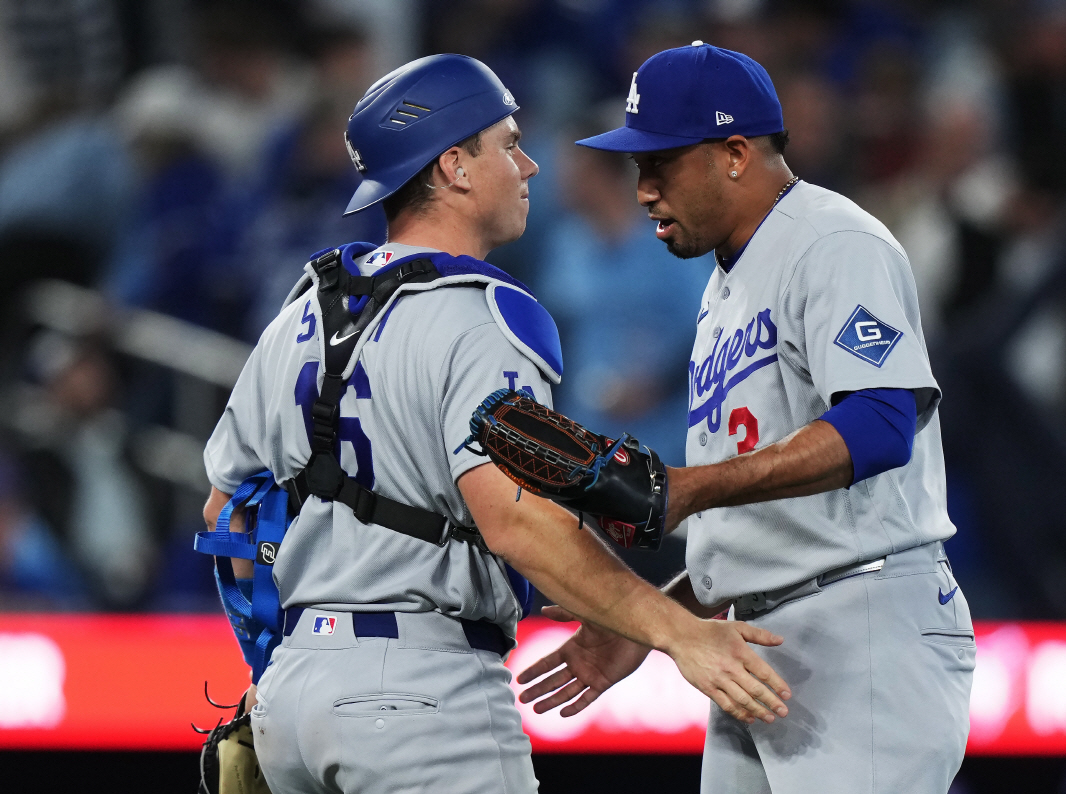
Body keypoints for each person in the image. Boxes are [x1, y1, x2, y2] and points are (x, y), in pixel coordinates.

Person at [201, 54, 790, 794]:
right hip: (419, 692)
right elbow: (519, 523)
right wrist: (677, 633)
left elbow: (226, 513)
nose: (531, 165)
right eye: (508, 144)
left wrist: (275, 669)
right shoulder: (484, 315)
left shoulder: (298, 316)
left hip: (290, 693)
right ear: (455, 166)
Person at [518, 43, 975, 793]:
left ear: (735, 153)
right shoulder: (727, 283)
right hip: (756, 633)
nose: (643, 191)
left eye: (659, 164)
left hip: (860, 623)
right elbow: (756, 518)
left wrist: (691, 487)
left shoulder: (833, 241)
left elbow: (883, 421)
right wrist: (657, 621)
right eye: (637, 169)